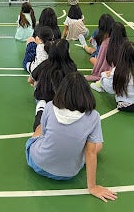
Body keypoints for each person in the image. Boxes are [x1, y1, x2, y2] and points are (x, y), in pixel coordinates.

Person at [25, 71, 117, 202]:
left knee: (39, 129)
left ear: (61, 90)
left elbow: (44, 134)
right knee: (98, 145)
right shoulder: (93, 116)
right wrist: (92, 187)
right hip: (68, 174)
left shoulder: (50, 106)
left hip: (38, 164)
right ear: (86, 93)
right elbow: (91, 154)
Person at [29, 39, 78, 129]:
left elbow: (30, 80)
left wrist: (35, 84)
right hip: (63, 98)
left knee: (38, 90)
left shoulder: (44, 64)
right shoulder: (72, 67)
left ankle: (41, 107)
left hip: (44, 95)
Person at [95, 40, 134, 112]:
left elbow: (110, 89)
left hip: (130, 106)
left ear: (121, 55)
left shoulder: (119, 70)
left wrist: (104, 75)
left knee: (109, 86)